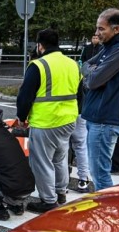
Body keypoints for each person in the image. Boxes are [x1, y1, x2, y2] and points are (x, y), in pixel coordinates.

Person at [16, 28, 79, 213]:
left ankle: (48, 201)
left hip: (46, 122)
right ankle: (61, 193)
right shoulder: (73, 64)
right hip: (68, 120)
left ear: (40, 46)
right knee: (60, 158)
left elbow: (25, 96)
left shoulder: (38, 65)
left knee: (42, 162)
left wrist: (21, 117)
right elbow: (81, 92)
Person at [81, 8, 119, 192]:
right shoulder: (110, 46)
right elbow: (86, 64)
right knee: (97, 170)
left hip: (105, 118)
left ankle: (106, 207)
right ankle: (104, 205)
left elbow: (93, 81)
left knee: (100, 173)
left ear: (116, 29)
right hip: (99, 115)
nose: (97, 33)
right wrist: (91, 72)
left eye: (101, 29)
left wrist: (91, 75)